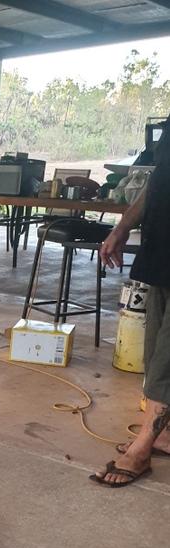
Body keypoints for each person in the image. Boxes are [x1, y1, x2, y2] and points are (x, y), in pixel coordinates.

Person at [91, 112, 170, 487]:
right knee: (155, 351)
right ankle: (164, 433)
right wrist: (123, 227)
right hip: (161, 250)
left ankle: (143, 447)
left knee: (167, 358)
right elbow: (158, 182)